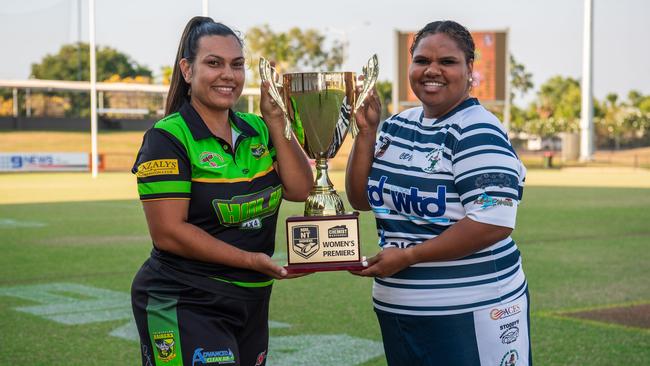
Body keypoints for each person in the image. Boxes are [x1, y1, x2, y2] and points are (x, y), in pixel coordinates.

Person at [346, 20, 531, 365]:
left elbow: (493, 222)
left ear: (469, 69)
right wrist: (367, 133)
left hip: (474, 310)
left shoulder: (477, 129)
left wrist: (409, 256)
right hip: (399, 309)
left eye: (447, 62)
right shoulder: (397, 125)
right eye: (422, 60)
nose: (432, 70)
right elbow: (360, 200)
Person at [130, 16, 313, 366]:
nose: (228, 75)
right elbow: (168, 233)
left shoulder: (258, 128)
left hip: (252, 300)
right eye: (214, 63)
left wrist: (277, 122)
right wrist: (251, 261)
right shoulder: (167, 138)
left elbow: (301, 188)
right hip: (186, 298)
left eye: (237, 64)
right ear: (187, 69)